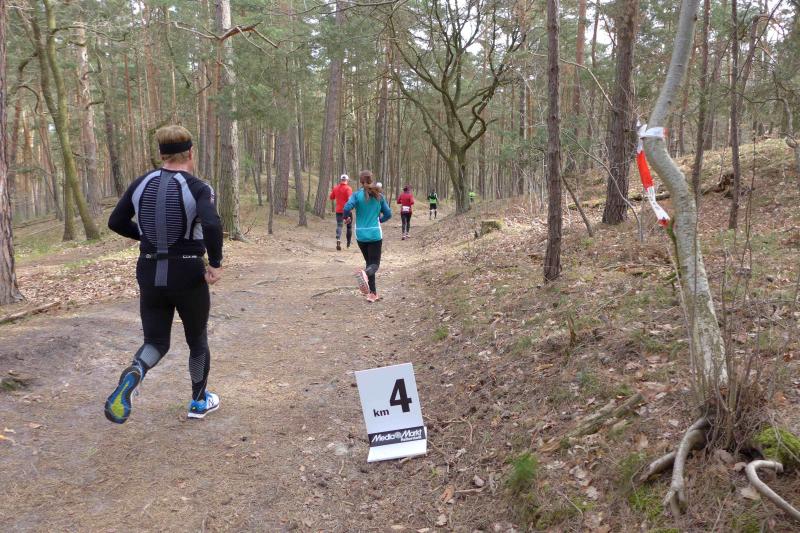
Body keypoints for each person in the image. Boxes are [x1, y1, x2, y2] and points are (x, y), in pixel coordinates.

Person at [104, 125, 223, 423]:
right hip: (187, 271)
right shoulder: (198, 187)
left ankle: (137, 370)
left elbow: (116, 221)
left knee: (156, 341)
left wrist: (147, 236)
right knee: (197, 339)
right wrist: (215, 262)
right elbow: (211, 223)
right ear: (190, 153)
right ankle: (198, 401)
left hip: (149, 269)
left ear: (162, 155)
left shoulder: (141, 183)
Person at [343, 170, 391, 303]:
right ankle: (365, 274)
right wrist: (380, 220)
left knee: (369, 263)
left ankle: (372, 293)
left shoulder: (356, 195)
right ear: (371, 180)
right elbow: (388, 214)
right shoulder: (379, 196)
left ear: (360, 181)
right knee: (374, 264)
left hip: (360, 235)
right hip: (375, 234)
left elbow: (346, 207)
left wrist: (346, 217)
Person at [329, 174, 353, 250]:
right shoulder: (348, 188)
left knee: (339, 225)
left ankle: (338, 239)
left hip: (338, 210)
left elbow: (331, 197)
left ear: (341, 180)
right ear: (347, 180)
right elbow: (350, 199)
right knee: (349, 227)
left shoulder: (336, 188)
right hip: (347, 210)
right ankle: (348, 244)